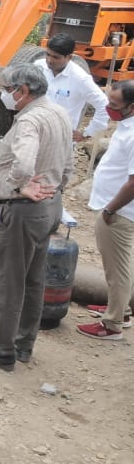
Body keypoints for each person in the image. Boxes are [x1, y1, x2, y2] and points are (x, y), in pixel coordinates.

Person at [0, 63, 72, 370]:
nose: (4, 96)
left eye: (7, 90)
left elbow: (23, 163)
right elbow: (68, 163)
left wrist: (20, 186)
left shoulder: (29, 122)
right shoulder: (58, 113)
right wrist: (56, 187)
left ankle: (2, 351)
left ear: (22, 91)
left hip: (23, 212)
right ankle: (23, 344)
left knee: (9, 282)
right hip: (50, 206)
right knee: (34, 279)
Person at [76, 82, 134, 341]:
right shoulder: (127, 125)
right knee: (118, 266)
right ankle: (119, 308)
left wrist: (111, 209)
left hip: (119, 212)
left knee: (117, 269)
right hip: (113, 207)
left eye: (114, 105)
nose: (109, 108)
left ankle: (113, 325)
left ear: (131, 107)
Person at [35, 33, 109, 143]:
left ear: (69, 57)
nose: (49, 60)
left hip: (60, 141)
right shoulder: (38, 67)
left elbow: (104, 105)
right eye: (48, 55)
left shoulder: (80, 79)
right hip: (34, 134)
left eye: (55, 57)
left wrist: (87, 133)